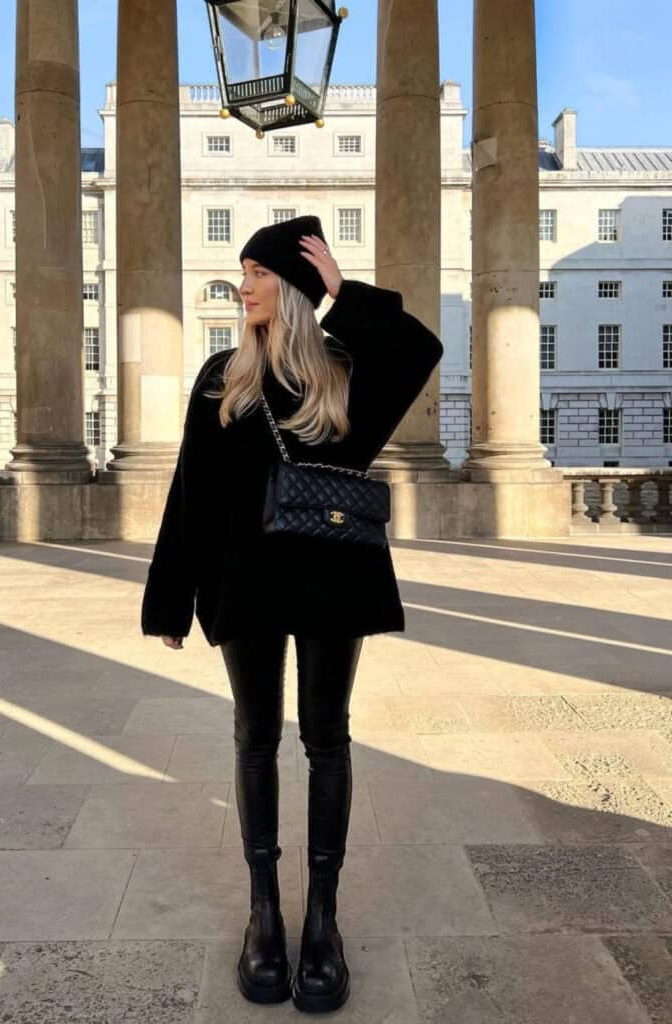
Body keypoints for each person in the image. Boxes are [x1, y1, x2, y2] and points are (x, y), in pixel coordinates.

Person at [141, 214, 443, 1012]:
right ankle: (264, 914)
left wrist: (344, 290)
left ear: (297, 287)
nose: (242, 285)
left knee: (325, 738)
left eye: (259, 273)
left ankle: (323, 921)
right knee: (254, 736)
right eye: (241, 272)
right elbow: (190, 492)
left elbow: (419, 349)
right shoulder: (223, 375)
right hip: (241, 579)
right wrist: (170, 597)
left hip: (331, 580)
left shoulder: (346, 369)